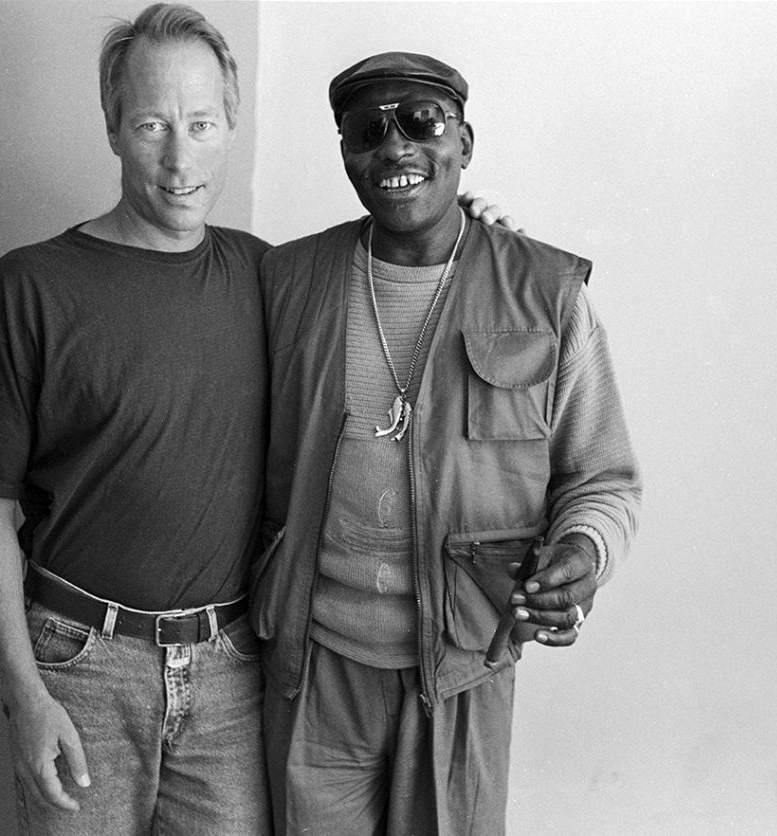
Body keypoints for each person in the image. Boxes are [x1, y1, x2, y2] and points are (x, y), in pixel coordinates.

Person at [0, 6, 511, 835]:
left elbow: (391, 266)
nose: (181, 158)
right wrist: (23, 692)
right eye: (152, 124)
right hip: (81, 664)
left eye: (202, 124)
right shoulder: (29, 288)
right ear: (111, 126)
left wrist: (478, 240)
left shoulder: (266, 275)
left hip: (231, 671)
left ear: (232, 122)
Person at [252, 52, 642, 836]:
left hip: (466, 666)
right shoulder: (283, 282)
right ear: (347, 156)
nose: (396, 147)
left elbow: (602, 478)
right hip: (314, 668)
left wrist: (581, 554)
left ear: (465, 143)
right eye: (370, 130)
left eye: (422, 122)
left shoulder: (545, 292)